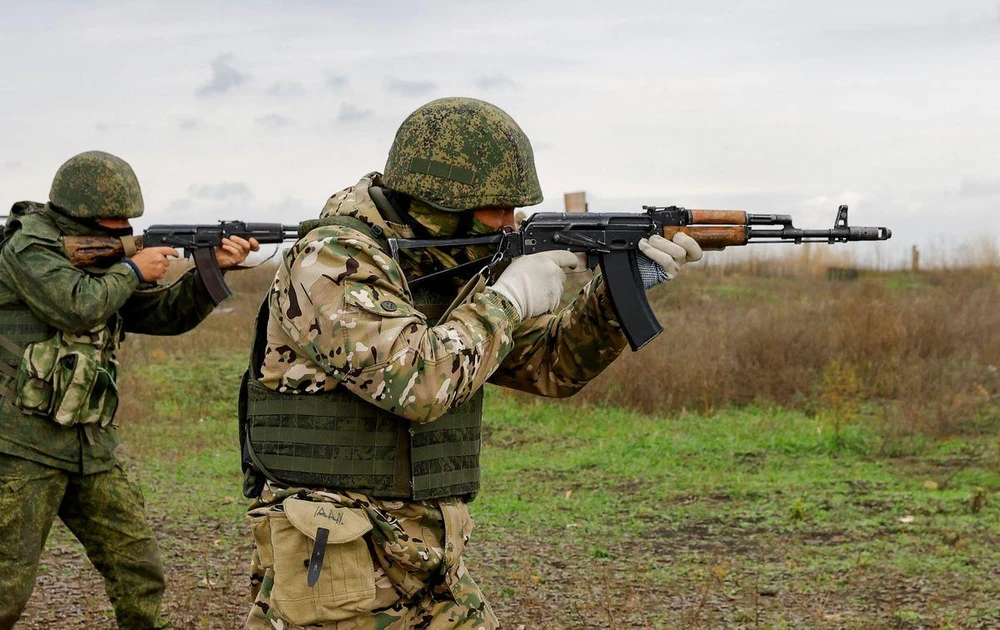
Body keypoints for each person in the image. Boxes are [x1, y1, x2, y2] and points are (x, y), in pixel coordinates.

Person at [239, 97, 703, 629]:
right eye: (497, 208)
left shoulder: (449, 261)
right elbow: (416, 383)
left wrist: (617, 294)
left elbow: (549, 365)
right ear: (438, 201)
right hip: (335, 551)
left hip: (426, 552)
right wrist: (506, 300)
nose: (510, 223)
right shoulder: (332, 259)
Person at [0, 150, 259, 629]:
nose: (121, 229)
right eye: (112, 219)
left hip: (88, 443)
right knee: (6, 584)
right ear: (78, 211)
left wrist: (213, 269)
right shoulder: (28, 247)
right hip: (21, 444)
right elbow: (77, 306)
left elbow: (159, 315)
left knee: (138, 566)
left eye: (126, 221)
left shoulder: (105, 261)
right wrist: (135, 269)